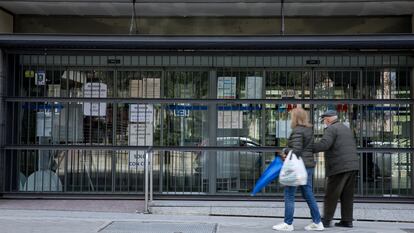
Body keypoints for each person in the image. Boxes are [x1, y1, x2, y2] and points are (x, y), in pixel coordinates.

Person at [272, 108, 324, 231]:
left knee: (289, 194)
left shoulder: (297, 131)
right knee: (308, 194)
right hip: (308, 165)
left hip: (298, 167)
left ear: (295, 118)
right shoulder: (309, 130)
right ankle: (317, 222)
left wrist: (285, 150)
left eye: (292, 116)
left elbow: (297, 150)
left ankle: (288, 224)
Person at [313, 110, 359, 228]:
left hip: (339, 166)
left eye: (324, 120)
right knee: (347, 195)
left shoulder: (331, 129)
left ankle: (326, 220)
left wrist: (309, 147)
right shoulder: (345, 128)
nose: (324, 123)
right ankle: (347, 220)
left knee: (331, 194)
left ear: (328, 119)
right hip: (352, 165)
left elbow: (325, 144)